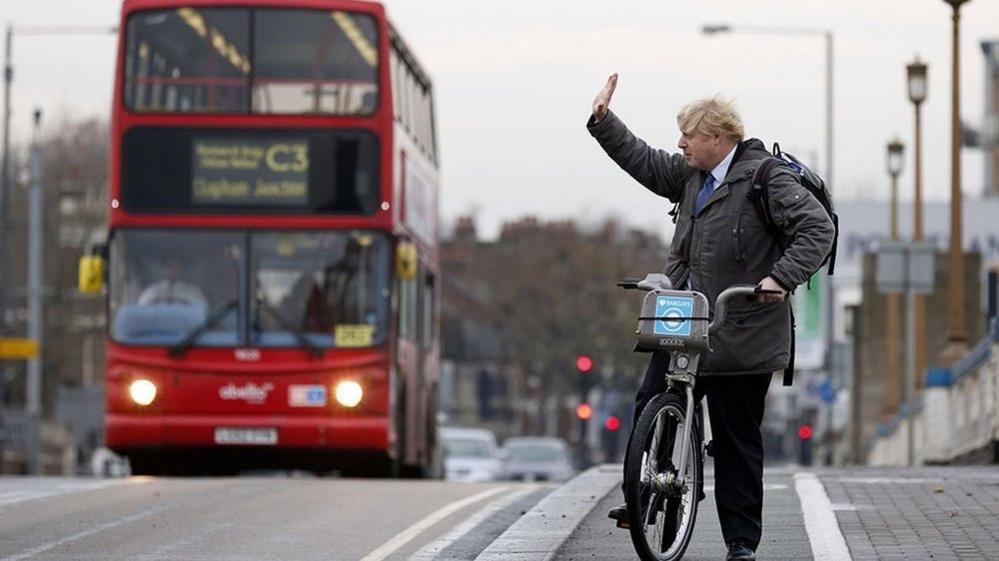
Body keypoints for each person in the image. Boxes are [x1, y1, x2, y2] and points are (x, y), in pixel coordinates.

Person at [587, 74, 834, 561]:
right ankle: (647, 496)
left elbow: (816, 228)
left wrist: (779, 279)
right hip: (686, 321)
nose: (681, 144)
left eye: (690, 135)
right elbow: (643, 159)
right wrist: (603, 122)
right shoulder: (690, 176)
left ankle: (741, 543)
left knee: (737, 439)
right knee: (651, 400)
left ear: (718, 139)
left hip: (743, 329)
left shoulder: (767, 178)